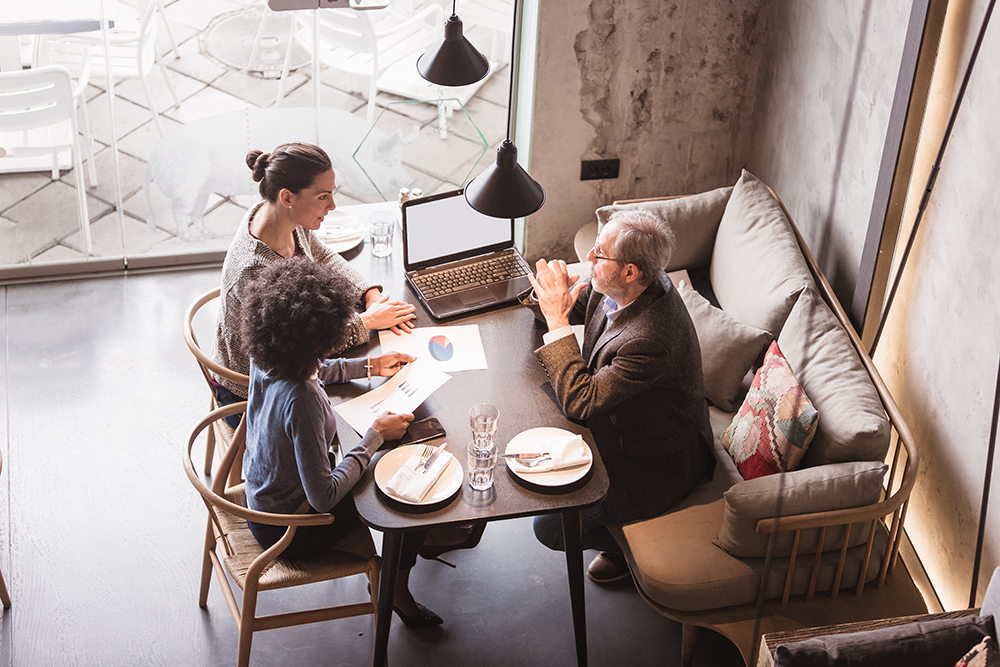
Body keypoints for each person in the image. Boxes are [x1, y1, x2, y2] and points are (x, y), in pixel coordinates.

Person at [240, 257, 442, 628]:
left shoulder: (267, 355)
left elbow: (312, 369)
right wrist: (373, 438)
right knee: (409, 500)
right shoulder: (302, 401)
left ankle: (432, 541)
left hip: (262, 494)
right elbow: (324, 497)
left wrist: (370, 367)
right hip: (292, 529)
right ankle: (396, 588)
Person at [527, 210, 716, 583]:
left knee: (550, 528)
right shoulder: (622, 286)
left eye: (600, 254)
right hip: (621, 420)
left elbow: (581, 401)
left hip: (655, 459)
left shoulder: (651, 337)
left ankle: (626, 549)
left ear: (631, 271)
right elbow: (576, 305)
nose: (590, 259)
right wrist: (549, 297)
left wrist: (557, 321)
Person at [213, 142, 416, 415]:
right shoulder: (254, 271)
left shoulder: (281, 218)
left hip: (292, 365)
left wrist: (370, 294)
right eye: (322, 197)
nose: (332, 205)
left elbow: (322, 255)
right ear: (287, 197)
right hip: (252, 392)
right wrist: (366, 321)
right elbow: (297, 346)